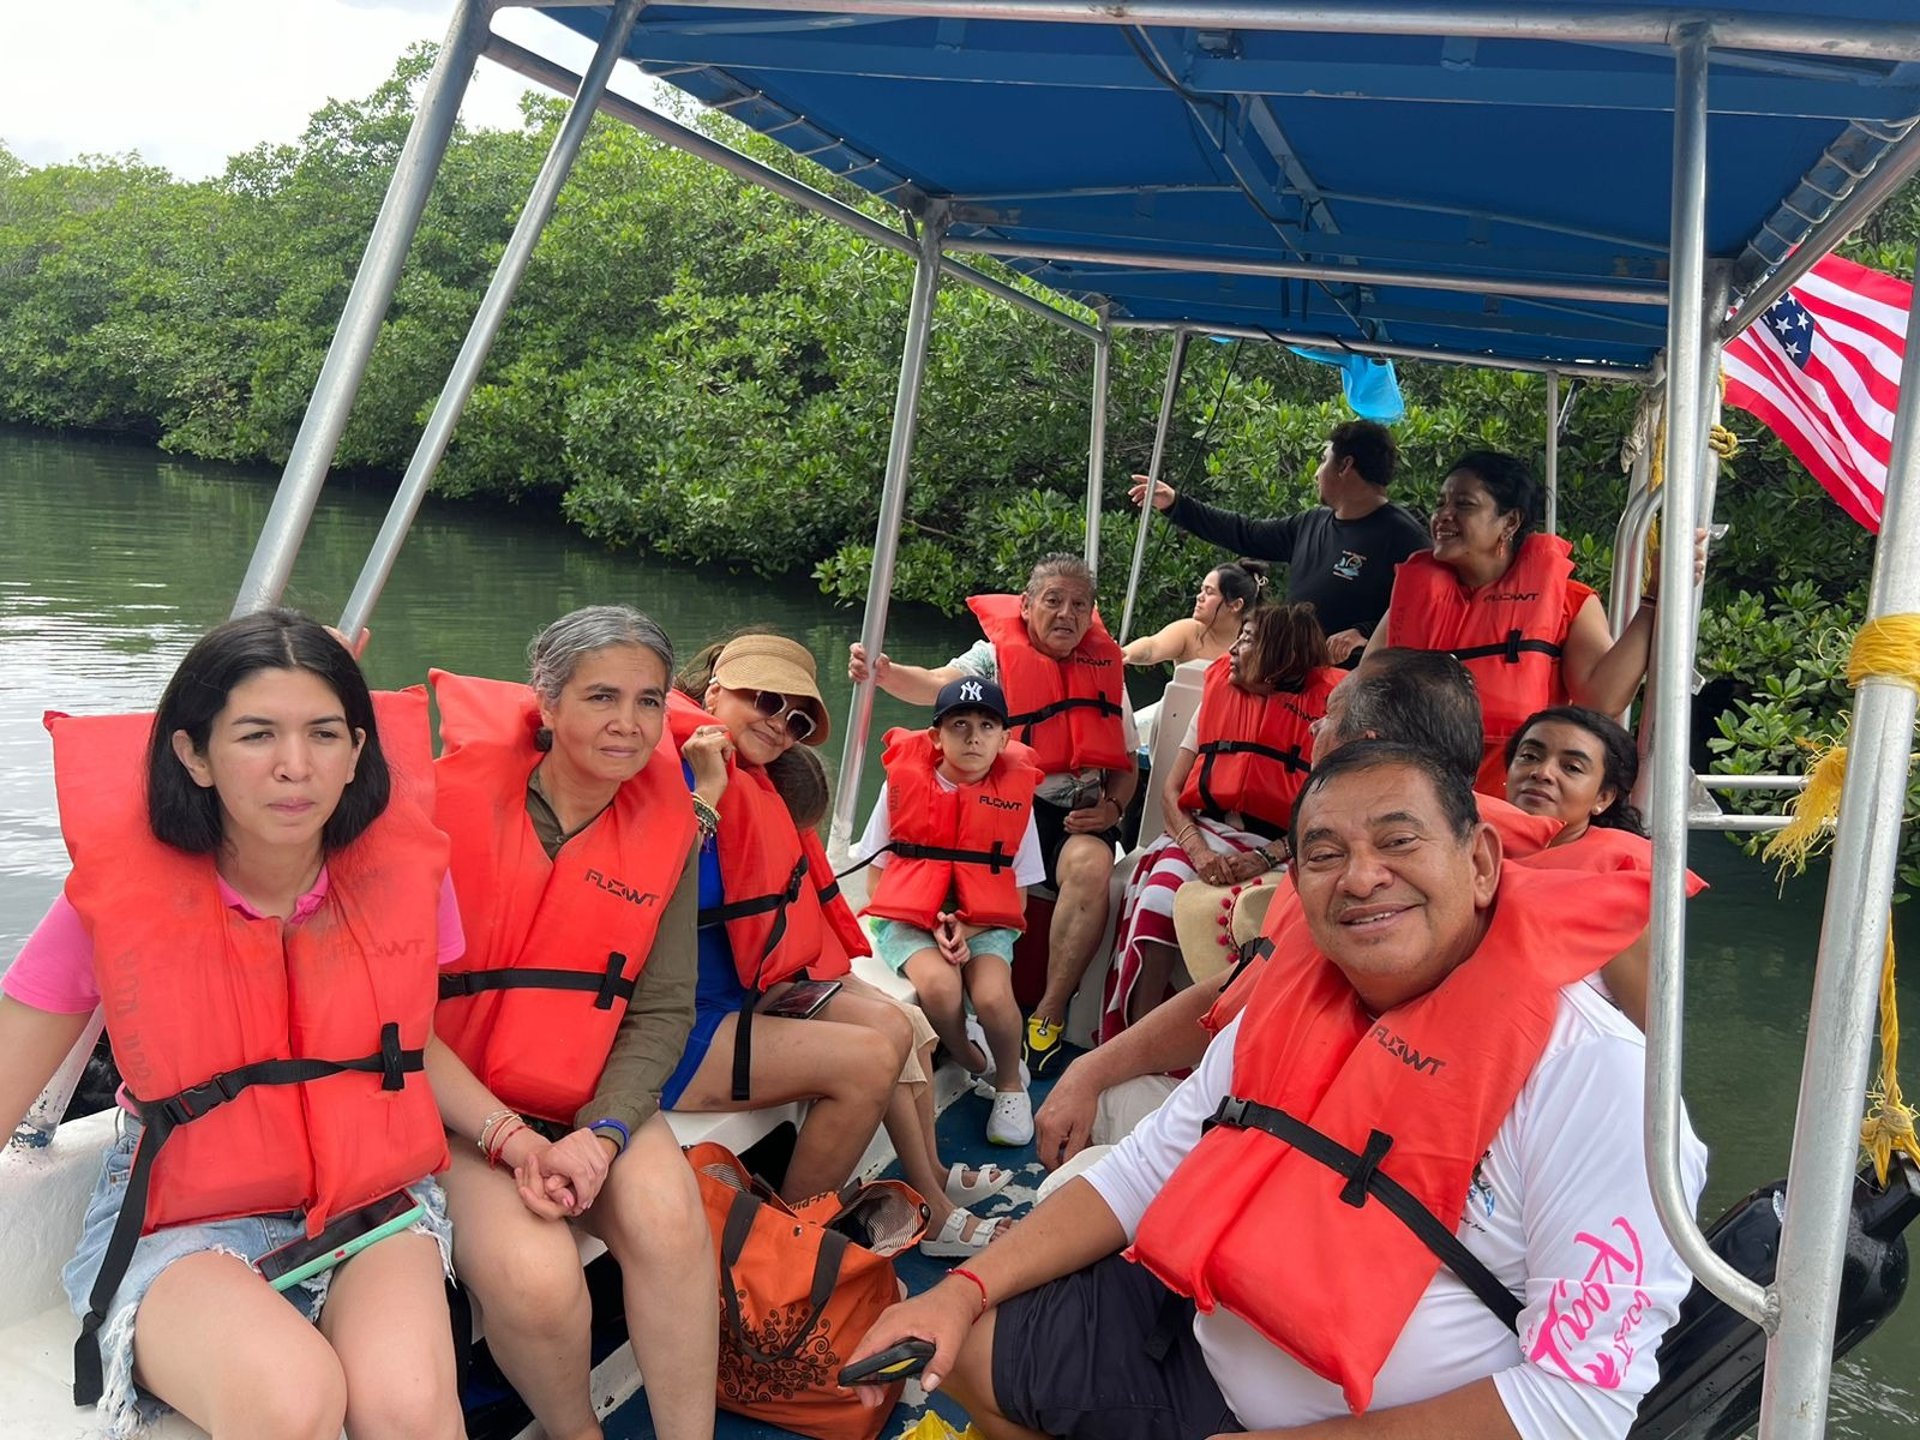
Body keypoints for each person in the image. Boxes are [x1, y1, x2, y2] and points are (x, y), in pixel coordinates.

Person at [847, 741, 1707, 1440]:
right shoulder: (1298, 1000)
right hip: (1196, 1336)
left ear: (1480, 862)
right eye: (1326, 854)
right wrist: (961, 1292)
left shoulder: (1598, 1078)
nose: (1361, 877)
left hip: (1365, 1420)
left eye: (1399, 842)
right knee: (961, 1346)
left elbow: (1579, 1402)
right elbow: (1148, 1168)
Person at [0, 610, 461, 1440]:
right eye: (256, 735)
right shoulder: (111, 903)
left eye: (325, 733)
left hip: (366, 1196)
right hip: (181, 1219)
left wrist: (511, 1136)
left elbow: (410, 1044)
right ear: (194, 753)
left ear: (358, 752)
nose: (295, 767)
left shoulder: (410, 879)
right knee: (292, 1400)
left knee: (411, 1410)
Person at [1033, 648, 1558, 1171]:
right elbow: (1249, 995)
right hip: (1296, 1135)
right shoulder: (1520, 875)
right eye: (1328, 855)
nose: (1312, 731)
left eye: (1327, 718)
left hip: (1306, 1158)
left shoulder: (1363, 890)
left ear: (1363, 748)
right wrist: (1093, 1068)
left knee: (1084, 1146)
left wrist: (1093, 1074)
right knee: (1099, 1102)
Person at [426, 607, 717, 1440]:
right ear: (546, 706)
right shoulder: (440, 814)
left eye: (650, 701)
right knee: (537, 1275)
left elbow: (662, 1008)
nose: (629, 724)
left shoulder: (670, 831)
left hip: (589, 1091)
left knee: (671, 1223)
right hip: (457, 1107)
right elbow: (394, 1011)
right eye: (601, 697)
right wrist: (510, 1135)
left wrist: (607, 1132)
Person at [666, 634, 1011, 1253]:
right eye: (764, 699)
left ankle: (928, 1186)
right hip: (672, 1026)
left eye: (796, 718)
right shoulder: (669, 772)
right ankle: (780, 1256)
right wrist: (708, 795)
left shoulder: (761, 785)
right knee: (870, 1057)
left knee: (898, 1023)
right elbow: (645, 892)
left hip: (746, 992)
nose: (779, 723)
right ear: (714, 690)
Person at [849, 554, 1139, 1077]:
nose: (1066, 614)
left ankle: (1048, 1013)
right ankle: (974, 1014)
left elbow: (1127, 765)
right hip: (1003, 802)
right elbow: (939, 683)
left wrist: (1112, 808)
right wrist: (886, 675)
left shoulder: (1105, 673)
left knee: (1091, 867)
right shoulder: (994, 659)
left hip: (1078, 812)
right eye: (1053, 601)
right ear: (1026, 606)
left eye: (1079, 605)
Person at [1367, 450, 1694, 794]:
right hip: (1417, 798)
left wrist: (1653, 598)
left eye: (1464, 505)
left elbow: (1603, 699)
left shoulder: (1568, 601)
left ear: (1510, 522)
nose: (1443, 516)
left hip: (1514, 806)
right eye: (1441, 503)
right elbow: (1365, 692)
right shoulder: (1412, 603)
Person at [1102, 603, 1339, 1041]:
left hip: (1285, 849)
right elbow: (1172, 793)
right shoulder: (1218, 694)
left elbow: (1328, 813)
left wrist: (1262, 857)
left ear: (1280, 655)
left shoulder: (1327, 718)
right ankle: (1132, 1043)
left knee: (1264, 926)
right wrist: (1197, 851)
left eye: (1246, 640)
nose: (1232, 648)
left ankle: (1218, 1053)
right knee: (1156, 900)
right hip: (1203, 832)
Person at [855, 677, 1045, 1147]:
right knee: (939, 986)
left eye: (986, 725)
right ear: (936, 736)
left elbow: (1018, 900)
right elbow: (876, 878)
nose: (973, 736)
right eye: (959, 724)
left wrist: (970, 924)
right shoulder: (901, 786)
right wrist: (932, 924)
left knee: (995, 997)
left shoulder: (1017, 801)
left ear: (1005, 739)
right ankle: (973, 1059)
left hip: (985, 922)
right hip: (909, 918)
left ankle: (1009, 1084)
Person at [1130, 419, 1428, 665]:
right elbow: (1244, 532)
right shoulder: (1310, 523)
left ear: (1345, 465)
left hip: (1351, 692)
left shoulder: (1405, 539)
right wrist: (1175, 504)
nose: (1316, 473)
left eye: (1324, 461)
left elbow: (1427, 614)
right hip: (1294, 679)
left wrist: (1365, 632)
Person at [1503, 705, 1705, 1031]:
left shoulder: (1616, 892)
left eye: (1571, 767)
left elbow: (1653, 1032)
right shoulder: (1469, 854)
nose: (1542, 772)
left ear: (1603, 797)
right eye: (1529, 756)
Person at [1120, 561, 1265, 668]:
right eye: (1201, 590)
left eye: (1209, 592)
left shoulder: (1259, 644)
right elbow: (1152, 647)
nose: (1199, 597)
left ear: (1235, 605)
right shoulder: (1188, 631)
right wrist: (1126, 653)